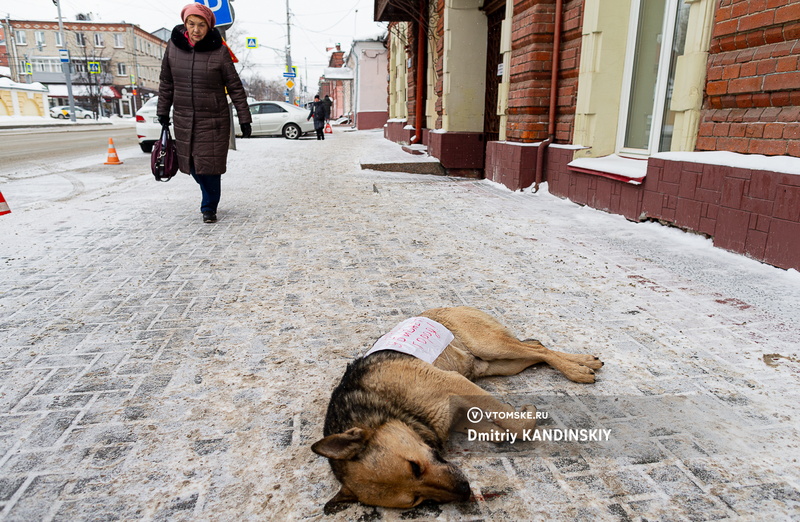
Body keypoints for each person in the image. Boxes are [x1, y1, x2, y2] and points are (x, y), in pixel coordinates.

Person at [157, 3, 252, 224]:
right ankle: (208, 198)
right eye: (192, 24)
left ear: (209, 27)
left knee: (210, 167)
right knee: (192, 166)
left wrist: (244, 119)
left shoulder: (219, 51)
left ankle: (209, 206)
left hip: (213, 119)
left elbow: (235, 86)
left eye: (201, 25)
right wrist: (163, 111)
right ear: (185, 24)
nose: (196, 30)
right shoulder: (173, 47)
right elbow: (166, 82)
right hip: (184, 118)